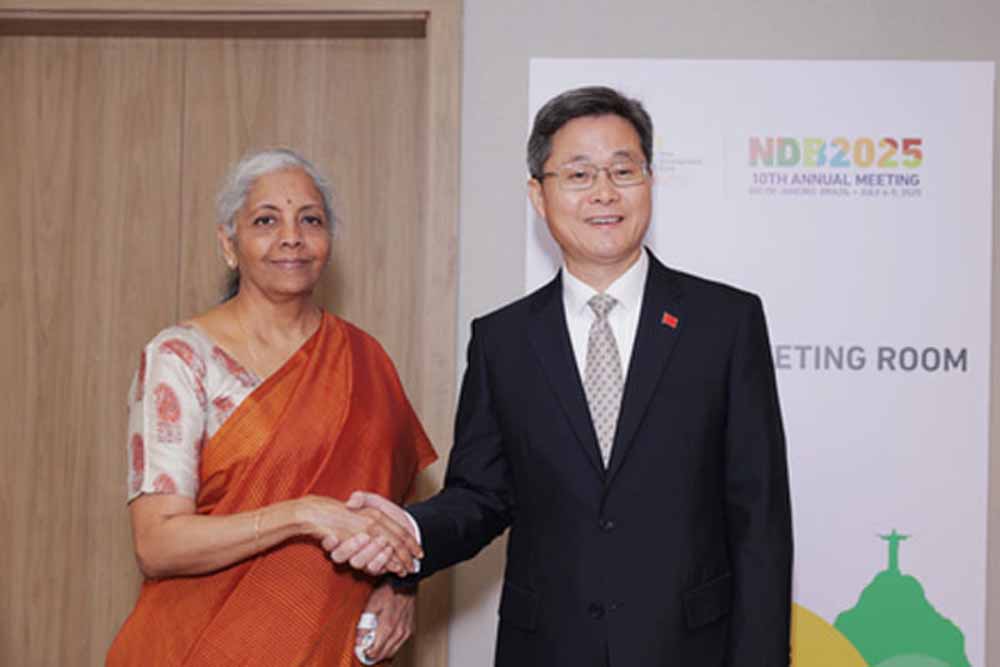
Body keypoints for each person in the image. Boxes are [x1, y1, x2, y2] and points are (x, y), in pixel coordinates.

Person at [342, 87, 793, 665]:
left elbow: (760, 517)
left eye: (623, 171)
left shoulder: (724, 323)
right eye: (579, 175)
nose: (604, 193)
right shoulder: (503, 340)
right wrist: (410, 530)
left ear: (650, 181)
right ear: (539, 194)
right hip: (547, 649)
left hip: (689, 647)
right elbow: (481, 495)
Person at [107, 148, 435, 666]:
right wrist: (300, 514)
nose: (291, 237)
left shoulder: (364, 358)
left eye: (310, 220)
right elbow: (158, 543)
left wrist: (401, 588)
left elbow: (400, 512)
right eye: (266, 220)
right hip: (201, 645)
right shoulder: (182, 358)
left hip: (332, 646)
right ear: (229, 243)